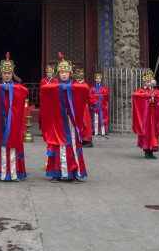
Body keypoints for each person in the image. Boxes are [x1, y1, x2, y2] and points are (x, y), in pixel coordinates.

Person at [39, 54, 89, 182]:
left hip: (71, 120)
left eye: (66, 72)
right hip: (58, 120)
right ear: (58, 73)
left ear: (70, 73)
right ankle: (57, 173)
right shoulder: (54, 86)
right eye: (61, 72)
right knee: (57, 144)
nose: (64, 75)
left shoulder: (75, 86)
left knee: (72, 145)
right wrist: (61, 87)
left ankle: (74, 173)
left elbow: (85, 88)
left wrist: (68, 88)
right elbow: (44, 89)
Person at [0, 53, 29, 182]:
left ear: (12, 73)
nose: (7, 75)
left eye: (9, 73)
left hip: (13, 122)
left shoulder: (18, 88)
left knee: (14, 144)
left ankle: (15, 173)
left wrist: (10, 89)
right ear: (1, 74)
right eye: (4, 73)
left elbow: (24, 91)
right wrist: (1, 88)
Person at [131, 70, 159, 159]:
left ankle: (151, 151)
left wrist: (155, 98)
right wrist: (147, 96)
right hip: (145, 116)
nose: (149, 83)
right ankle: (146, 152)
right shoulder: (141, 91)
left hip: (153, 115)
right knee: (146, 133)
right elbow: (135, 95)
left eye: (150, 82)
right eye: (147, 82)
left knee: (153, 133)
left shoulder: (156, 91)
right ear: (144, 82)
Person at [73, 67, 94, 147]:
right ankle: (79, 138)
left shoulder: (84, 85)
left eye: (79, 76)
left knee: (85, 122)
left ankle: (86, 140)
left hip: (83, 106)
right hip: (76, 106)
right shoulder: (75, 84)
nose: (78, 77)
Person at [89, 72, 110, 138]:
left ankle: (103, 130)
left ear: (101, 79)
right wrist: (96, 101)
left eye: (99, 78)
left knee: (103, 117)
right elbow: (90, 95)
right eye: (97, 78)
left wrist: (100, 100)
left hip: (102, 105)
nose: (98, 79)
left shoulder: (104, 88)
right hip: (95, 105)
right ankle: (94, 130)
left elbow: (106, 95)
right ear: (95, 79)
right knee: (94, 117)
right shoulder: (92, 88)